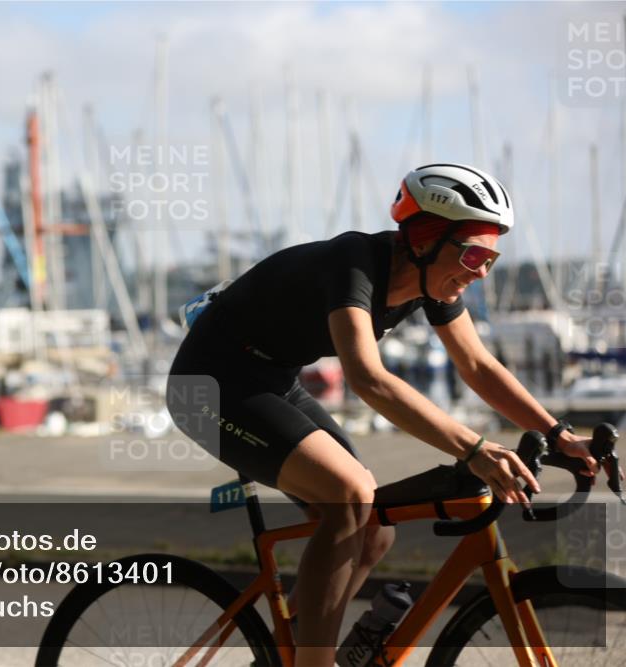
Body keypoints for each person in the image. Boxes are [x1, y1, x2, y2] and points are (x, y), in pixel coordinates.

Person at [165, 163, 602, 666]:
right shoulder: (354, 265)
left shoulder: (431, 284)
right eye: (474, 254)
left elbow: (478, 366)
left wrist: (558, 433)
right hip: (208, 385)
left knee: (374, 526)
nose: (481, 271)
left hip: (271, 379)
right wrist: (475, 449)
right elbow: (368, 379)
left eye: (492, 259)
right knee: (350, 495)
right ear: (424, 238)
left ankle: (294, 650)